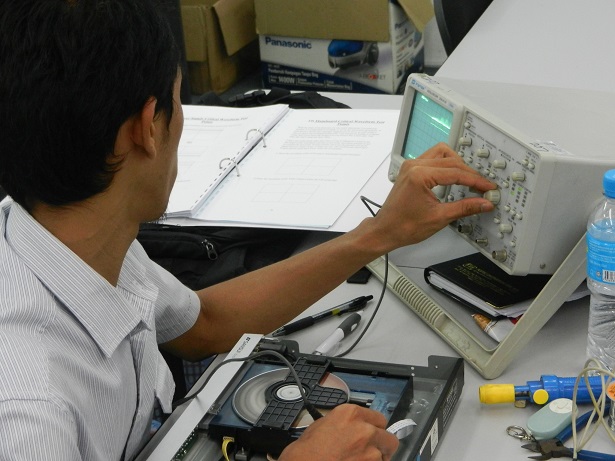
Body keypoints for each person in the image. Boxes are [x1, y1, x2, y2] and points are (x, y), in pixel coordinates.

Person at [0, 0, 496, 460]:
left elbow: (206, 324)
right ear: (148, 127)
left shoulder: (75, 231)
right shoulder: (30, 410)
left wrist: (380, 233)